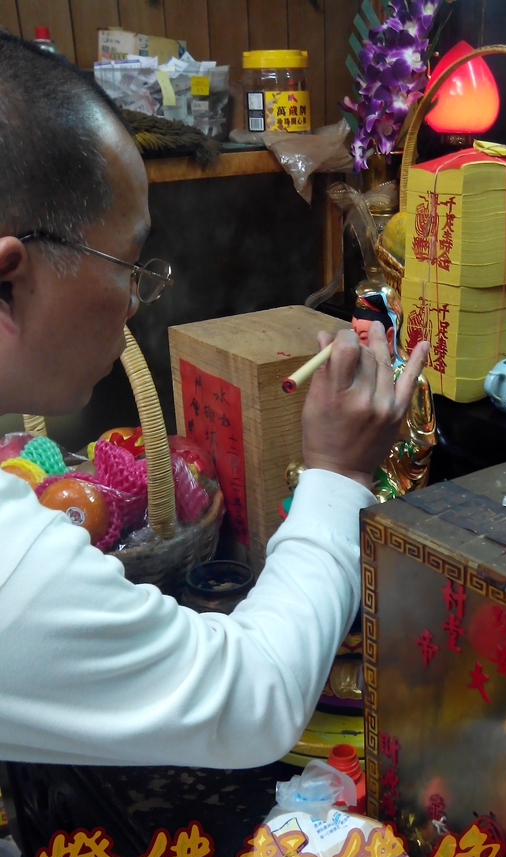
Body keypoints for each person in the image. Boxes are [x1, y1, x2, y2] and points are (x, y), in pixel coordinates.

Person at [0, 33, 429, 767]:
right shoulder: (18, 573)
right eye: (126, 263)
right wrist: (337, 474)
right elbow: (252, 697)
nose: (134, 299)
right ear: (10, 281)